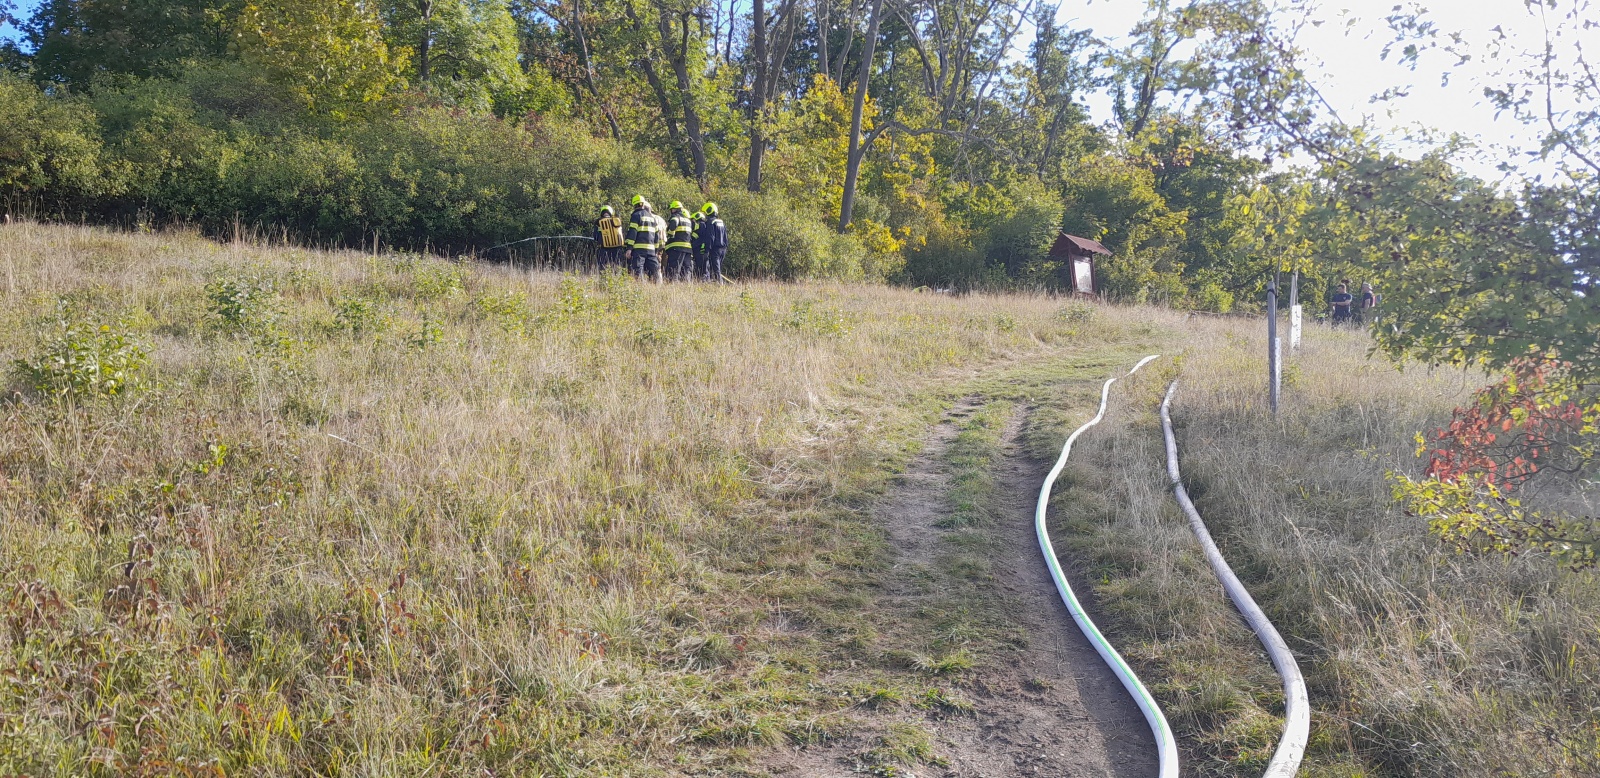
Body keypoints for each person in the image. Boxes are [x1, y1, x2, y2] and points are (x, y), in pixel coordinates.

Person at [625, 195, 664, 283]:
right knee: (654, 270)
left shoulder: (635, 215)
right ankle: (657, 287)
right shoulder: (652, 217)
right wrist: (656, 251)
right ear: (643, 204)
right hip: (651, 250)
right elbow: (657, 236)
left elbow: (633, 232)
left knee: (638, 270)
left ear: (634, 205)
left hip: (639, 249)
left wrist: (629, 248)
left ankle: (641, 288)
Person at [664, 200, 694, 282]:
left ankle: (673, 284)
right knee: (686, 269)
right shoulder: (688, 220)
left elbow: (673, 225)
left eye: (672, 209)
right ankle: (686, 285)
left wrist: (670, 235)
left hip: (677, 248)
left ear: (674, 209)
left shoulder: (675, 217)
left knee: (674, 268)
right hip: (687, 248)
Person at [698, 201, 728, 283]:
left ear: (709, 210)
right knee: (717, 268)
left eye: (705, 212)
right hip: (723, 248)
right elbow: (725, 236)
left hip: (715, 249)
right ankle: (715, 283)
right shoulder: (721, 222)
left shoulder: (710, 222)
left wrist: (707, 250)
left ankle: (720, 284)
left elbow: (710, 237)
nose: (705, 215)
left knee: (715, 269)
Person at [592, 205, 625, 272]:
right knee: (618, 267)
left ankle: (604, 280)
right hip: (617, 248)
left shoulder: (598, 222)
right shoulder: (617, 221)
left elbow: (595, 237)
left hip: (603, 249)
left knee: (603, 268)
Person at [689, 210, 706, 281]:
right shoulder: (703, 225)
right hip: (701, 249)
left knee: (701, 267)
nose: (692, 222)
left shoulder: (701, 225)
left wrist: (692, 244)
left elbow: (697, 237)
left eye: (693, 220)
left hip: (700, 250)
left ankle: (702, 280)